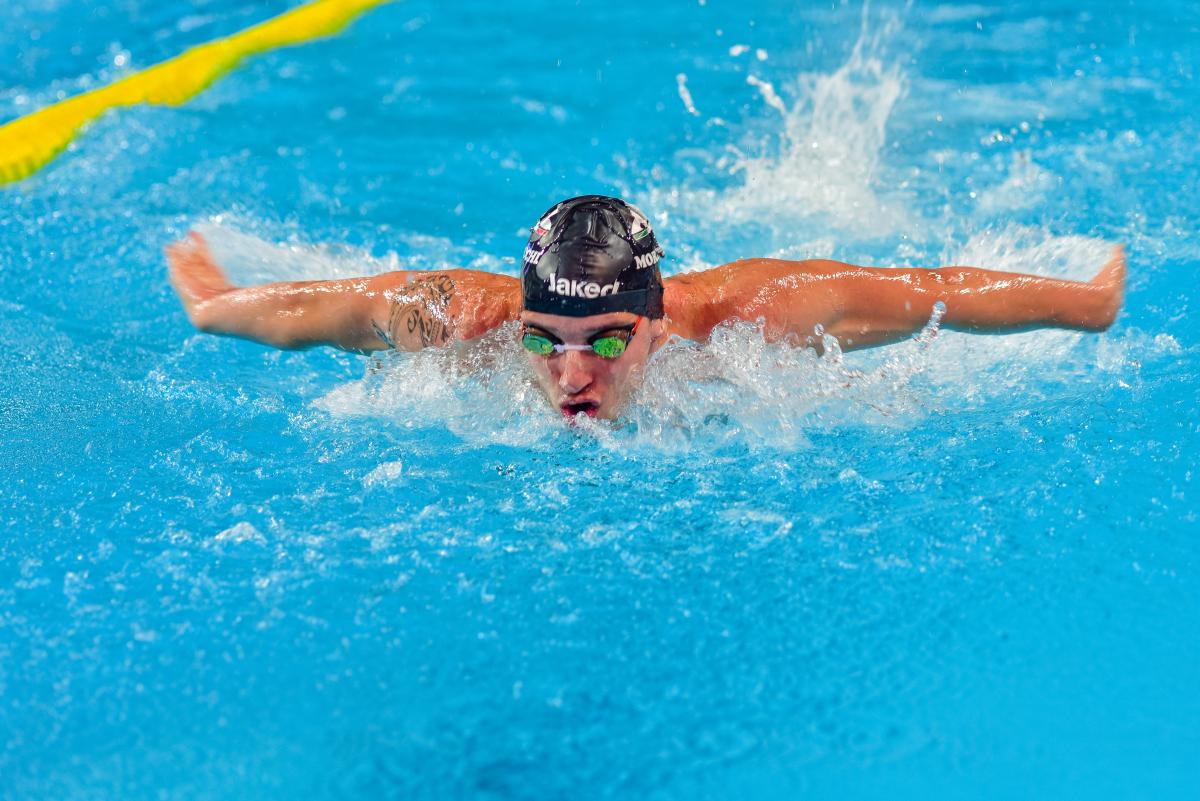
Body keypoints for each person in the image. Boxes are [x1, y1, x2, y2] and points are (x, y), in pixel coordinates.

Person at [167, 195, 1125, 420]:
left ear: (658, 320)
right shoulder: (466, 319)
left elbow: (937, 295)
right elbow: (321, 310)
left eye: (611, 339)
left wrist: (1088, 306)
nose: (571, 375)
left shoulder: (755, 314)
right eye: (549, 340)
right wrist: (213, 305)